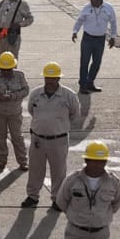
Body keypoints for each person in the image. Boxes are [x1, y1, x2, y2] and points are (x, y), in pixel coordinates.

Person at [22, 62, 83, 208]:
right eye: (47, 78)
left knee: (58, 171)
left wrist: (58, 126)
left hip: (58, 140)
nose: (50, 81)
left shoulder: (69, 95)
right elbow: (31, 110)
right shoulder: (36, 94)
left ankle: (57, 199)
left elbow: (75, 114)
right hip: (38, 139)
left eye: (53, 78)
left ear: (58, 78)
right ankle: (32, 196)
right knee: (35, 169)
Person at [0, 52, 30, 171]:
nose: (6, 72)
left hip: (14, 112)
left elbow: (26, 90)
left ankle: (23, 161)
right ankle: (2, 159)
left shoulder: (20, 76)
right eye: (3, 70)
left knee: (17, 137)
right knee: (0, 137)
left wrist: (14, 96)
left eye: (9, 69)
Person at [71, 0, 118, 94]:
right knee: (84, 62)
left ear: (100, 0)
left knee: (97, 62)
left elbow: (113, 23)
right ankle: (83, 85)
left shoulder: (109, 8)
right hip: (87, 39)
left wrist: (113, 37)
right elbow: (79, 20)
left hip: (100, 40)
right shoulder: (87, 8)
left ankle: (90, 82)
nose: (91, 1)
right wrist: (75, 32)